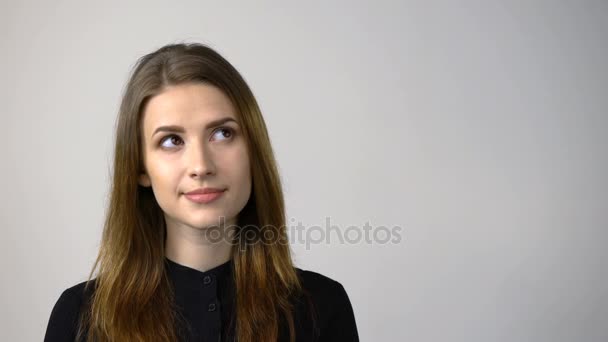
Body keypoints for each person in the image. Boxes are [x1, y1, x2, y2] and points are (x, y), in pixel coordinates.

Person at [43, 42, 359, 342]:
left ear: (253, 151)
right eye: (171, 141)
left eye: (222, 134)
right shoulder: (79, 318)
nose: (200, 165)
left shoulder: (322, 308)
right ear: (140, 168)